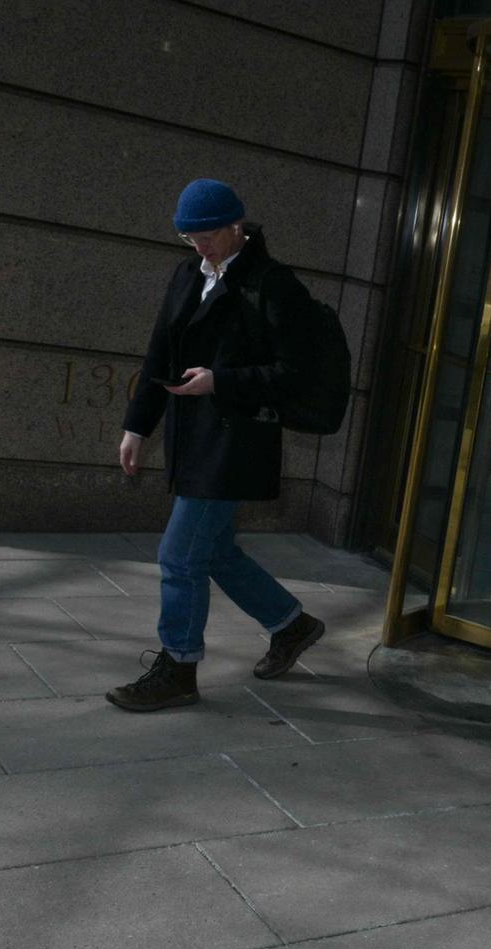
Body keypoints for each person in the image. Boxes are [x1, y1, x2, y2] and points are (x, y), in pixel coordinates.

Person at [107, 179, 326, 712]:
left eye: (207, 236)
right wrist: (138, 427)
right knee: (215, 551)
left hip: (236, 442)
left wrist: (219, 382)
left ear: (236, 227)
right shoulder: (187, 274)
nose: (199, 247)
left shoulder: (273, 285)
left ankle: (178, 668)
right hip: (191, 440)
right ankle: (291, 625)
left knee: (179, 555)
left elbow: (296, 372)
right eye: (190, 238)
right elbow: (159, 351)